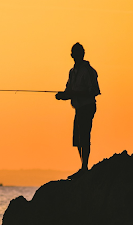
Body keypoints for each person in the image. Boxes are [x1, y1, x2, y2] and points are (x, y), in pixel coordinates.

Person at [55, 42, 101, 179]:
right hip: (78, 108)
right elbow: (69, 90)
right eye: (74, 53)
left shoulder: (89, 71)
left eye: (78, 53)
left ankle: (84, 168)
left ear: (82, 54)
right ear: (72, 55)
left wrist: (73, 94)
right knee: (78, 139)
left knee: (84, 136)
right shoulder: (72, 72)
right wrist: (63, 95)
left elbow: (94, 91)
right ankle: (83, 167)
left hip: (87, 107)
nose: (76, 56)